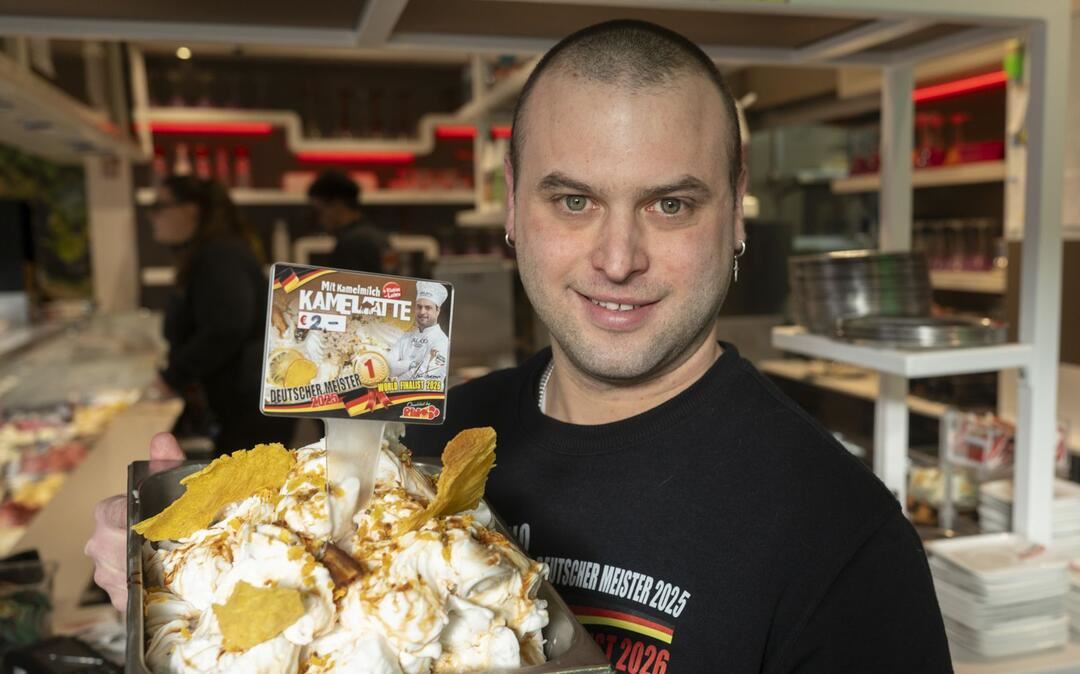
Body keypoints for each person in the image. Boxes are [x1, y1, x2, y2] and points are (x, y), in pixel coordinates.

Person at [88, 20, 952, 673]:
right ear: (510, 208)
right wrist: (184, 600)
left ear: (736, 210)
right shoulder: (418, 443)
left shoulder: (843, 540)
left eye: (671, 205)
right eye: (572, 201)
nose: (619, 259)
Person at [150, 176, 295, 456]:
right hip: (245, 403)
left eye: (159, 205)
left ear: (190, 210)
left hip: (249, 408)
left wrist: (172, 377)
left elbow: (225, 328)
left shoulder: (220, 255)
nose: (152, 216)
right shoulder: (217, 252)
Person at [306, 170, 388, 273]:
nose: (319, 220)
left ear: (337, 205)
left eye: (320, 211)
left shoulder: (349, 245)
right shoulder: (379, 237)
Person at [389, 281, 450, 382]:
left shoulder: (441, 341)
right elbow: (387, 366)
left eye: (428, 307)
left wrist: (394, 381)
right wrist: (412, 364)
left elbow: (422, 377)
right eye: (419, 306)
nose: (422, 312)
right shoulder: (406, 337)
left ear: (437, 310)